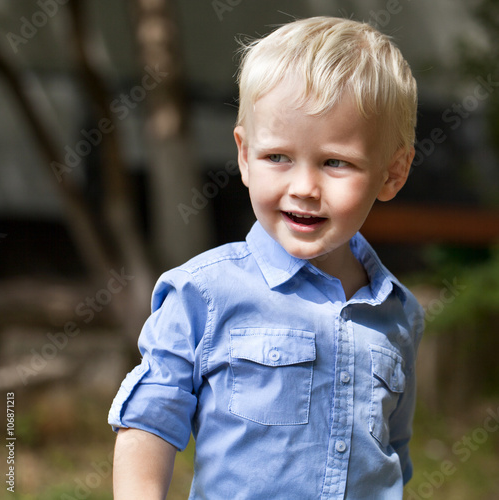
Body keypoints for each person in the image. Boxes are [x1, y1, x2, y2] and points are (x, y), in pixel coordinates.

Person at [109, 16, 424, 499]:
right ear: (244, 155)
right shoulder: (204, 294)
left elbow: (392, 452)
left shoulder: (399, 314)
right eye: (278, 157)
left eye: (334, 162)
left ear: (393, 173)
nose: (303, 188)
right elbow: (150, 418)